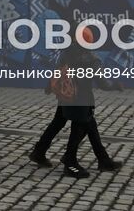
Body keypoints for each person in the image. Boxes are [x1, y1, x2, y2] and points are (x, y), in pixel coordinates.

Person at [31, 26, 121, 177]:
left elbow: (57, 72)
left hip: (66, 97)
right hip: (82, 100)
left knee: (66, 123)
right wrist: (115, 86)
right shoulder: (92, 59)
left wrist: (49, 87)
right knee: (80, 128)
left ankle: (39, 151)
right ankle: (70, 161)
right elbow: (103, 83)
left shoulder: (66, 53)